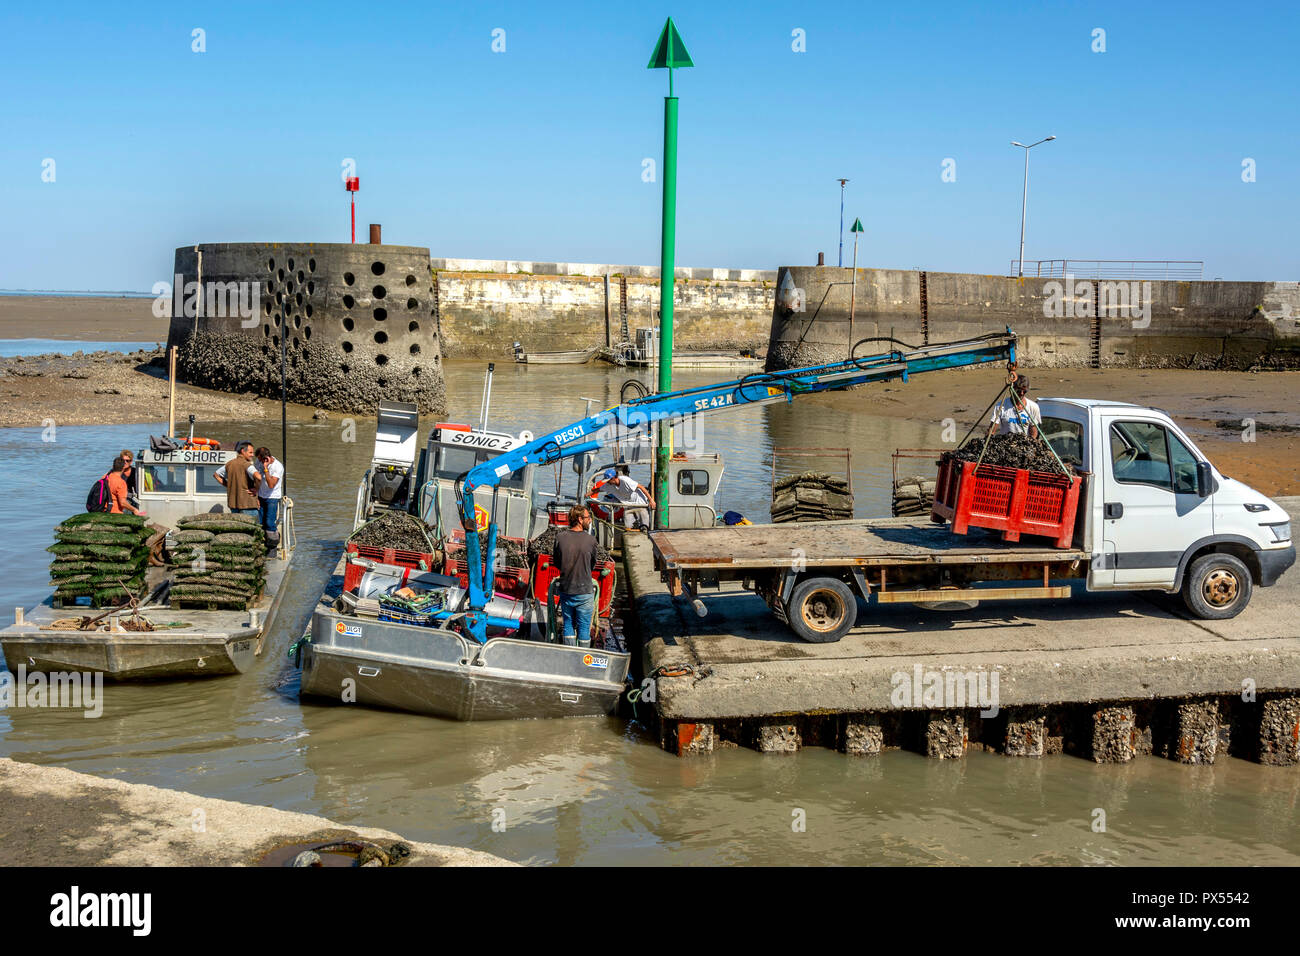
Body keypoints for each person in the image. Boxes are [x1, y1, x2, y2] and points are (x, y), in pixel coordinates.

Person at [551, 505, 598, 648]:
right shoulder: (591, 541)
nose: (590, 520)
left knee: (568, 625)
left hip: (567, 590)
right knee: (584, 628)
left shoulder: (560, 538)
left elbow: (557, 562)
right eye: (588, 517)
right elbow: (593, 564)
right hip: (584, 592)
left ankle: (568, 654)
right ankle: (582, 659)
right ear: (579, 519)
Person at [593, 465, 655, 530]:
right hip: (628, 506)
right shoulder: (609, 485)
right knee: (627, 526)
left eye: (608, 480)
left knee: (644, 526)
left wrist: (651, 500)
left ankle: (645, 531)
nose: (607, 482)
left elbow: (641, 487)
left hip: (640, 504)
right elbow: (598, 489)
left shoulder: (625, 480)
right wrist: (587, 494)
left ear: (613, 478)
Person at [214, 441, 261, 516]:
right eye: (250, 452)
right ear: (243, 451)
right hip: (247, 504)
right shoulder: (247, 465)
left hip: (233, 504)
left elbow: (216, 475)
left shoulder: (229, 464)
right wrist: (256, 489)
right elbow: (258, 477)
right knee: (252, 526)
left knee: (237, 527)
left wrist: (228, 485)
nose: (252, 455)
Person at [253, 446, 284, 534]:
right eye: (258, 459)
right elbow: (255, 477)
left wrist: (266, 469)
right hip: (261, 496)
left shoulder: (277, 467)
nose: (258, 462)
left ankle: (272, 543)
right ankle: (262, 542)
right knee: (261, 522)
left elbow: (271, 485)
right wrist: (256, 496)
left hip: (272, 497)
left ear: (266, 459)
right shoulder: (258, 462)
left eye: (260, 460)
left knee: (269, 523)